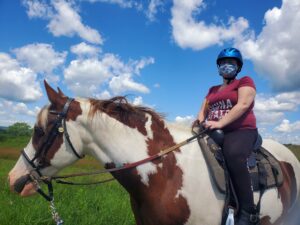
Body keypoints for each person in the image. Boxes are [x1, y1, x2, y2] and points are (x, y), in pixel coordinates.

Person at [196, 47, 259, 225]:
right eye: (223, 63)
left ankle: (248, 212)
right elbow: (203, 110)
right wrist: (201, 123)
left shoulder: (244, 81)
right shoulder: (213, 89)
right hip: (214, 130)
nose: (227, 66)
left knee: (233, 154)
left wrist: (220, 123)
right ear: (218, 67)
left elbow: (244, 104)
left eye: (231, 63)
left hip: (241, 131)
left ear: (238, 67)